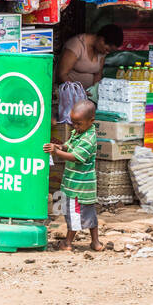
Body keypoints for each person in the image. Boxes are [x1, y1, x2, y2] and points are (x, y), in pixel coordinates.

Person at [46, 99, 102, 251]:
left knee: (74, 215)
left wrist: (57, 152)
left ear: (91, 121)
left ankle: (68, 243)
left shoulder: (88, 139)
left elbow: (76, 157)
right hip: (77, 185)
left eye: (78, 124)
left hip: (80, 186)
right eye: (73, 123)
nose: (75, 127)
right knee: (89, 215)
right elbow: (69, 146)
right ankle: (95, 243)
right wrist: (61, 146)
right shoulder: (78, 132)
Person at [55, 25, 123, 122]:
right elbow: (62, 74)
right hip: (69, 98)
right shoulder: (77, 45)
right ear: (101, 40)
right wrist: (79, 92)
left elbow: (97, 74)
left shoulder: (101, 52)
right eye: (108, 49)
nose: (107, 52)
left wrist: (95, 92)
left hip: (87, 100)